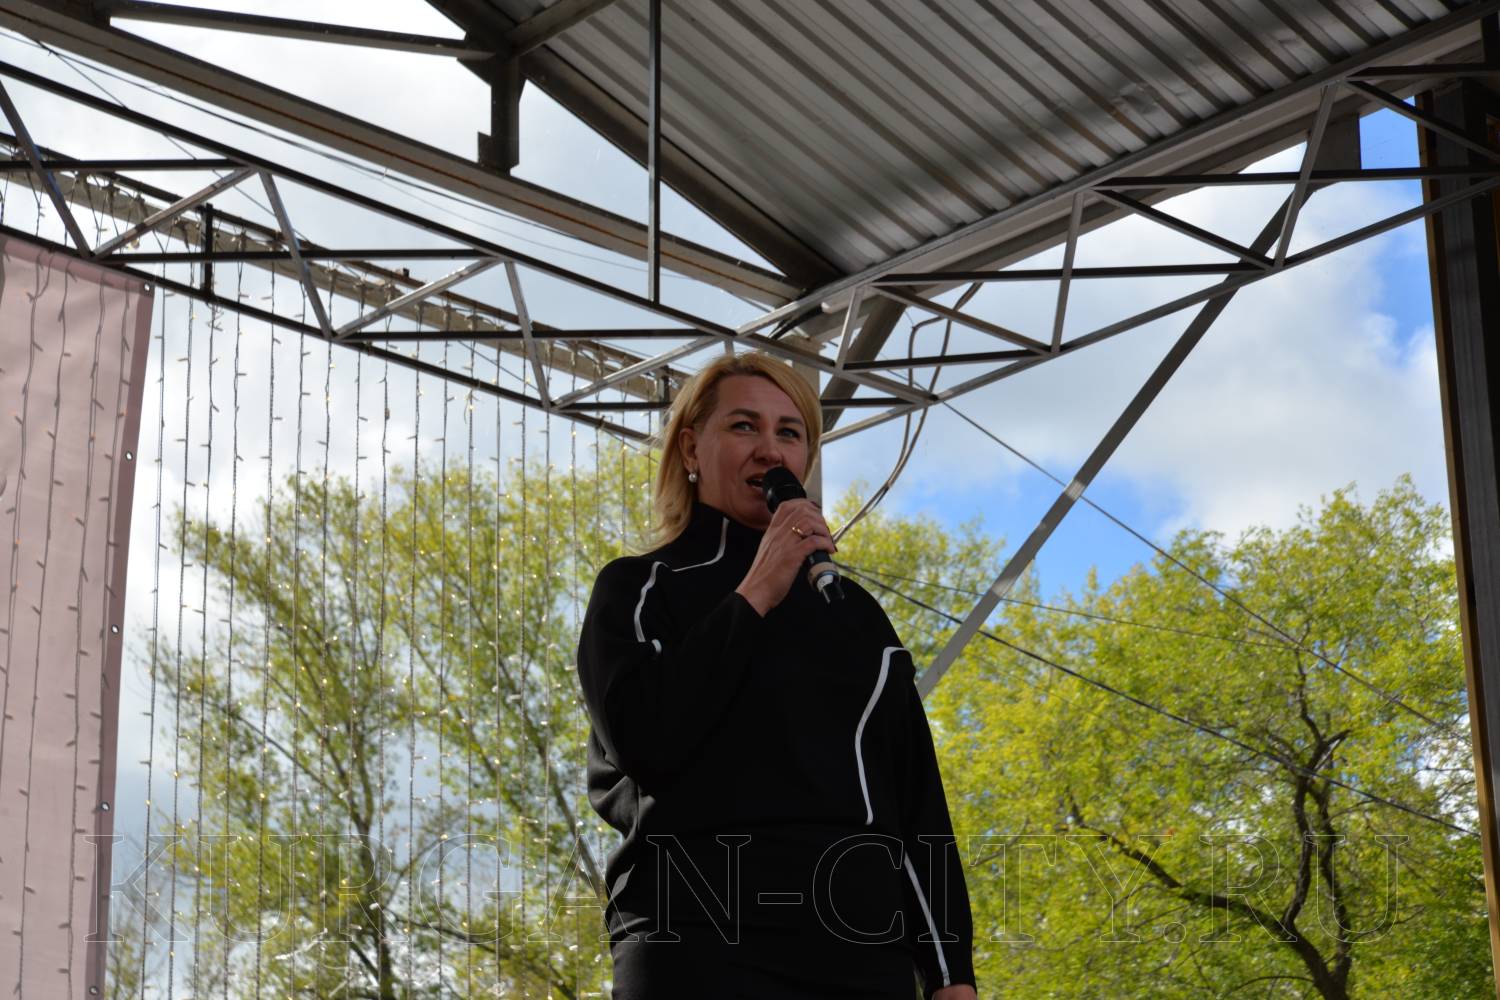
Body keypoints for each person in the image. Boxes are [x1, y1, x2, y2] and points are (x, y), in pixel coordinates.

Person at [576, 350, 978, 1000]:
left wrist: (951, 973)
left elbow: (914, 803)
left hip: (862, 949)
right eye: (744, 426)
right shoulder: (640, 588)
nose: (770, 449)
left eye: (789, 433)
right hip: (697, 939)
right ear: (690, 448)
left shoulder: (855, 615)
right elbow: (646, 738)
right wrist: (757, 589)